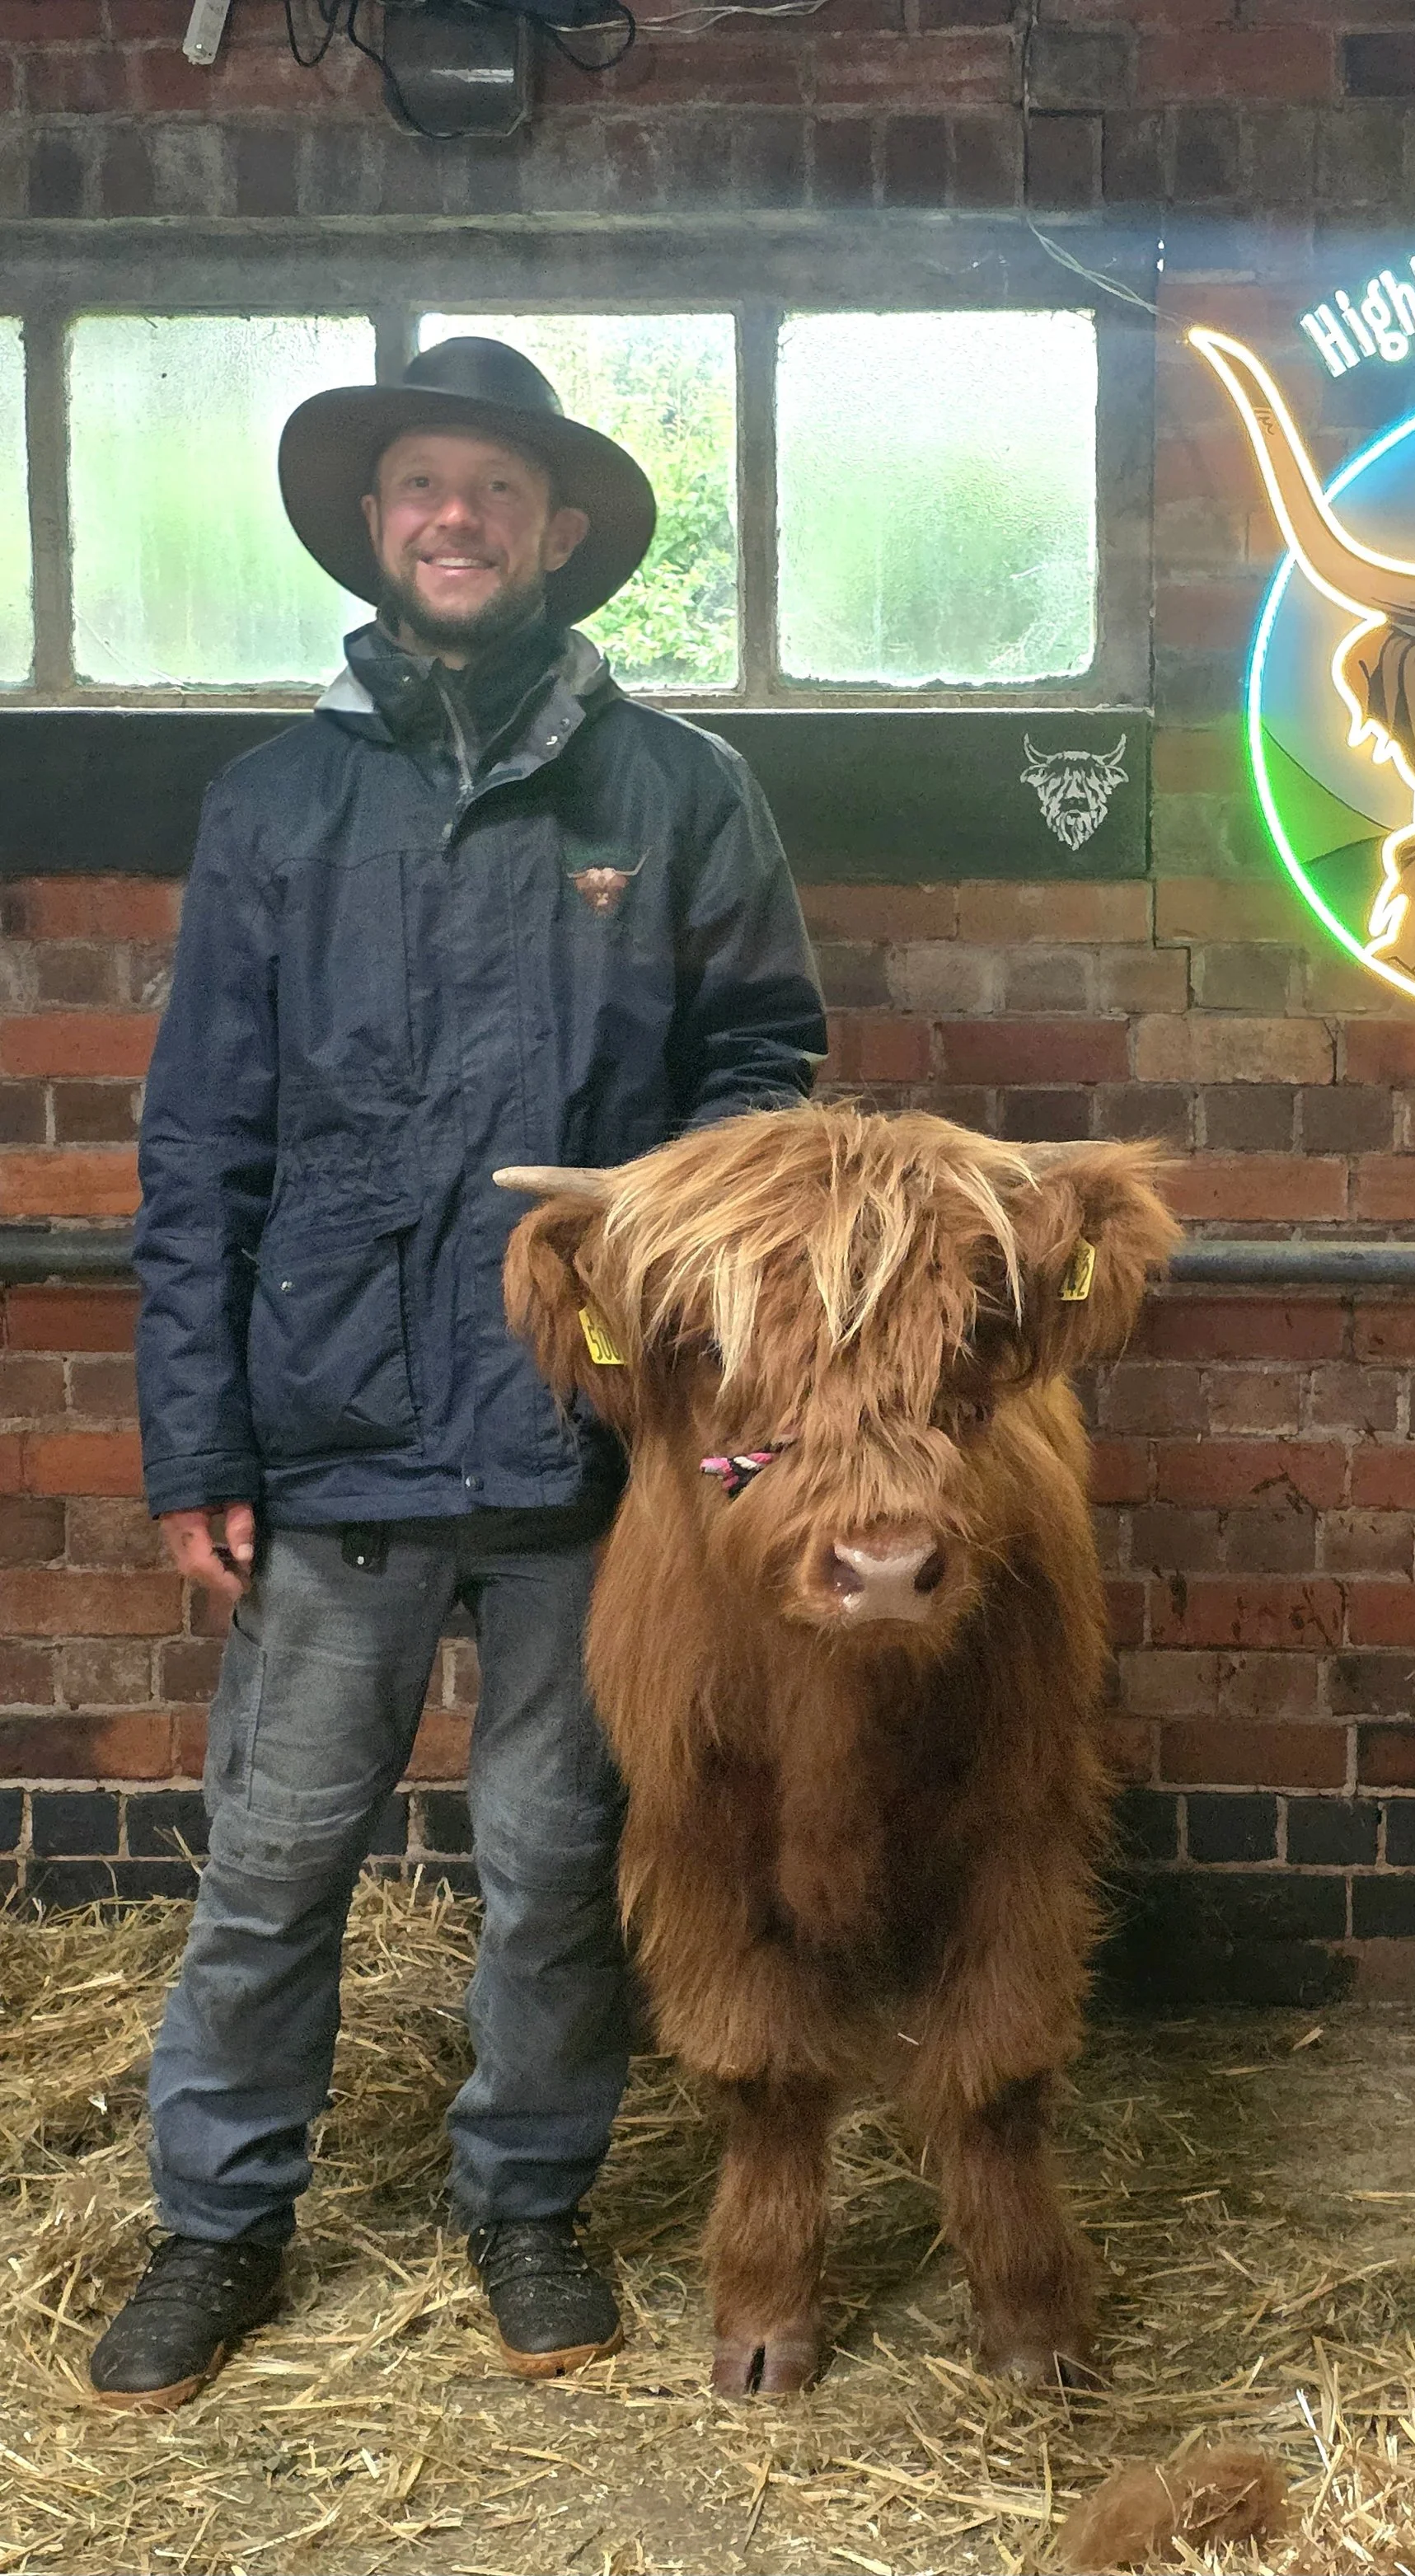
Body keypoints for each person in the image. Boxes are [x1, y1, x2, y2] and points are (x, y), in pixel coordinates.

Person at [89, 338, 827, 2410]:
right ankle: (217, 2225)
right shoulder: (276, 804)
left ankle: (528, 2202)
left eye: (494, 492)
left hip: (584, 1447)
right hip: (325, 1440)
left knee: (551, 1866)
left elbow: (766, 1081)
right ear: (373, 522)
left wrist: (683, 1348)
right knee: (273, 1861)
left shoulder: (678, 793)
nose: (455, 519)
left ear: (560, 532)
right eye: (421, 485)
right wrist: (195, 1439)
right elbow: (197, 1145)